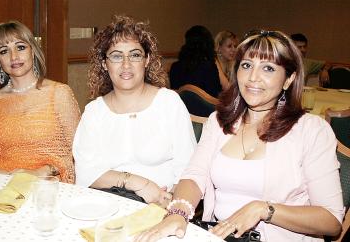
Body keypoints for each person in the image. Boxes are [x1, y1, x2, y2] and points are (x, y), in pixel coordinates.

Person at [135, 30, 344, 241]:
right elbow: (194, 175)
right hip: (218, 235)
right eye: (246, 65)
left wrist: (264, 210)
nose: (253, 77)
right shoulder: (218, 121)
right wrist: (177, 213)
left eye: (268, 68)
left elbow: (331, 221)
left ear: (288, 79)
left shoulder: (311, 131)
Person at [73, 15, 196, 206]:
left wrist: (168, 201)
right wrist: (139, 183)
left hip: (165, 205)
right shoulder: (94, 112)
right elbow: (86, 174)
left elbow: (188, 169)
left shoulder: (169, 103)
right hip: (106, 206)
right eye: (116, 56)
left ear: (146, 60)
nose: (126, 64)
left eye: (135, 54)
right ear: (105, 64)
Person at [0, 20, 80, 183]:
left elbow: (81, 153)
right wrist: (0, 174)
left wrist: (43, 171)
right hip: (3, 187)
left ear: (33, 51)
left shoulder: (59, 94)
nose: (14, 56)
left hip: (48, 185)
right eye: (4, 51)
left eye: (20, 47)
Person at [169, 25, 226, 98]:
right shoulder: (209, 67)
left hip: (181, 108)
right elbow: (215, 94)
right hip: (207, 108)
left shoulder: (175, 67)